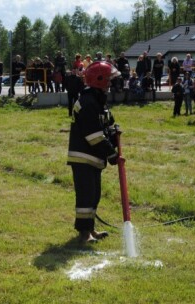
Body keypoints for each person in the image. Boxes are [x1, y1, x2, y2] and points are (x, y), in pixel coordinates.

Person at [67, 61, 120, 243]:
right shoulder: (88, 102)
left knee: (94, 195)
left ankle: (90, 229)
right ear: (99, 80)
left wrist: (114, 135)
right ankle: (84, 233)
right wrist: (111, 154)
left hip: (93, 158)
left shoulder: (98, 101)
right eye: (108, 80)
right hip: (84, 157)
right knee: (86, 196)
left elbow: (106, 126)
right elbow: (94, 136)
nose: (110, 84)